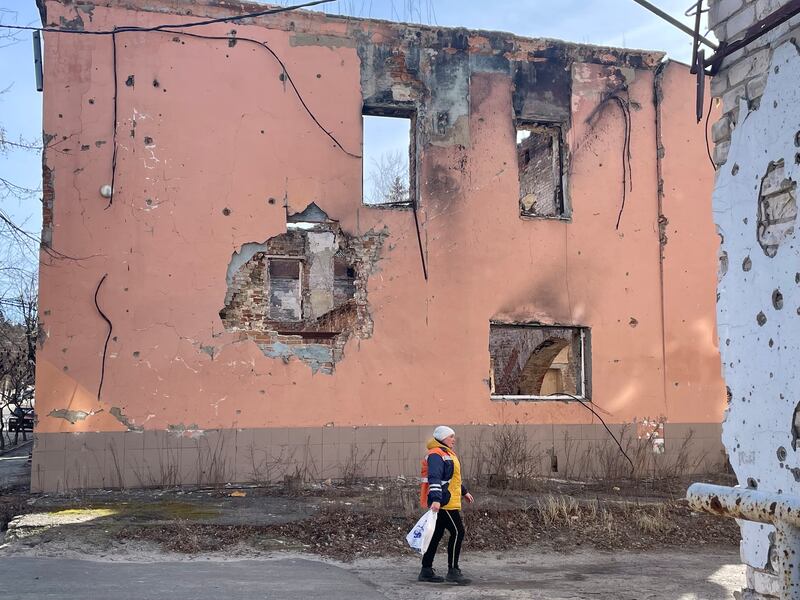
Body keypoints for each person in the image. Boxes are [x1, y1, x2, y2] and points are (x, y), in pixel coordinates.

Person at [418, 425, 474, 585]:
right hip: (444, 501)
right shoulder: (436, 454)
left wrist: (464, 492)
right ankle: (453, 571)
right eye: (451, 436)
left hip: (446, 499)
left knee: (436, 535)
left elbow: (451, 478)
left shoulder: (446, 453)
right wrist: (436, 499)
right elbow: (435, 478)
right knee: (458, 532)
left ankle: (426, 570)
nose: (454, 439)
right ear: (442, 438)